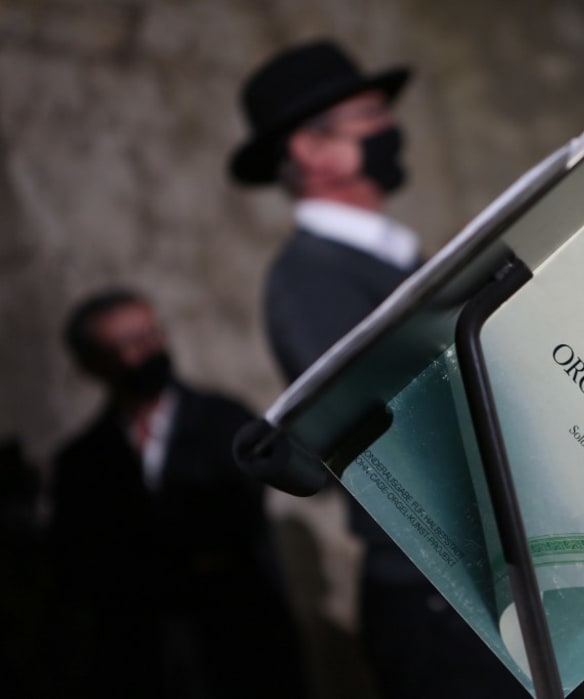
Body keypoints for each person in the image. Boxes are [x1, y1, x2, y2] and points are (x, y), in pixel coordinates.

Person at [229, 39, 528, 698]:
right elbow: (391, 427)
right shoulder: (309, 276)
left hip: (486, 580)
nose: (390, 129)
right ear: (310, 149)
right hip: (436, 593)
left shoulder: (402, 259)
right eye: (369, 114)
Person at [49, 289, 307, 698]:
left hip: (239, 643)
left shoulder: (225, 421)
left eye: (153, 335)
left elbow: (235, 518)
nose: (150, 350)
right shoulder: (83, 460)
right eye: (130, 343)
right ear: (94, 363)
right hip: (146, 657)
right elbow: (82, 564)